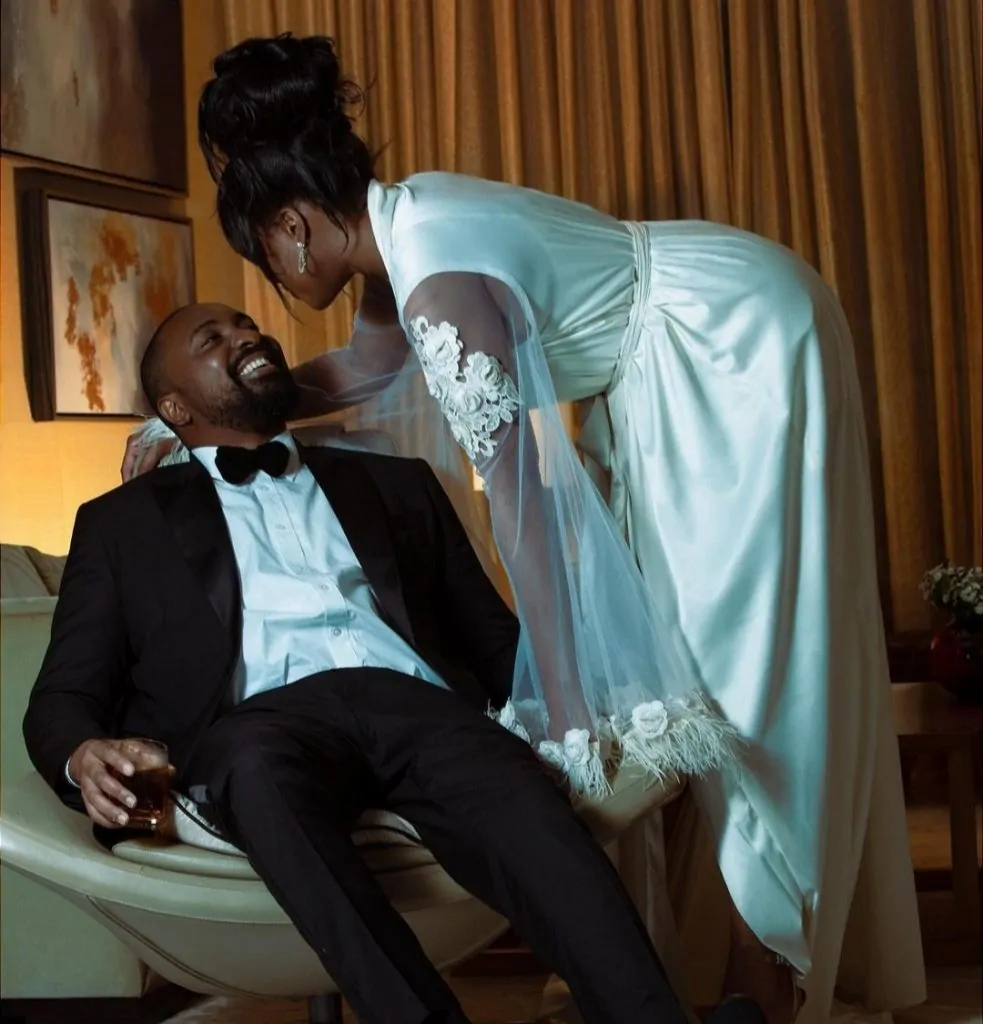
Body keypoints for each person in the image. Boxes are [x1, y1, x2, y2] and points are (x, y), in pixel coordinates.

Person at [123, 34, 926, 1024]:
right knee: (685, 646)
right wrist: (183, 423)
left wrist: (565, 703)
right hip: (661, 367)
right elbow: (363, 372)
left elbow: (526, 511)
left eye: (265, 259)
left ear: (289, 227)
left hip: (726, 342)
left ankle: (775, 972)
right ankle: (720, 961)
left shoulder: (436, 282)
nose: (275, 293)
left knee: (743, 651)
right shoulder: (403, 225)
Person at [24, 301, 767, 1024]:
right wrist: (81, 753)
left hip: (422, 710)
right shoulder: (121, 525)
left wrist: (585, 702)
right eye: (211, 338)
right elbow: (63, 696)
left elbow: (492, 640)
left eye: (245, 322)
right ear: (174, 408)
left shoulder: (397, 484)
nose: (244, 335)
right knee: (256, 772)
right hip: (260, 728)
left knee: (522, 799)